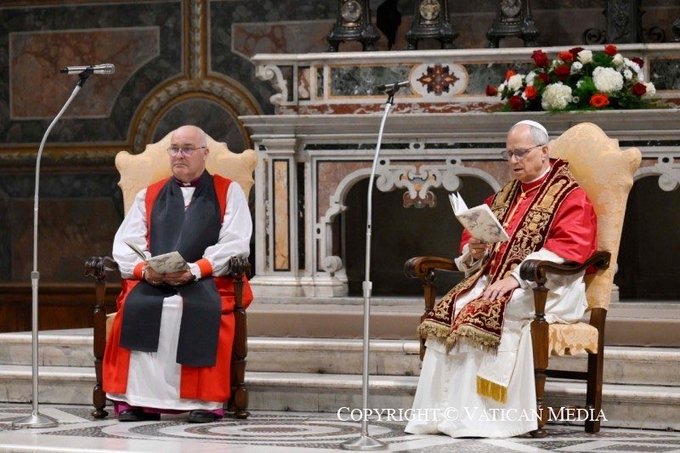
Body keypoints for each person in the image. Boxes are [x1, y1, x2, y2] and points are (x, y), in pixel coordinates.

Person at [405, 120, 597, 437]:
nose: (513, 161)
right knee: (453, 307)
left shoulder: (569, 195)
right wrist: (475, 248)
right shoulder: (507, 194)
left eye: (520, 153)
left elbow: (571, 248)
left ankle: (488, 417)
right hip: (496, 279)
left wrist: (518, 277)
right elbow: (476, 237)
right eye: (508, 154)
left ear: (544, 151)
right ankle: (443, 414)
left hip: (547, 285)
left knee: (491, 308)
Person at [103, 125, 253, 423]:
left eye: (187, 148)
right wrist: (145, 271)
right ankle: (138, 401)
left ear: (204, 154)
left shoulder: (228, 190)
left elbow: (236, 243)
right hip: (154, 280)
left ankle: (203, 400)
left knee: (192, 308)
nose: (179, 155)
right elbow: (125, 242)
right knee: (139, 306)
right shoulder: (150, 194)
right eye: (174, 149)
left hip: (206, 280)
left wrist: (196, 270)